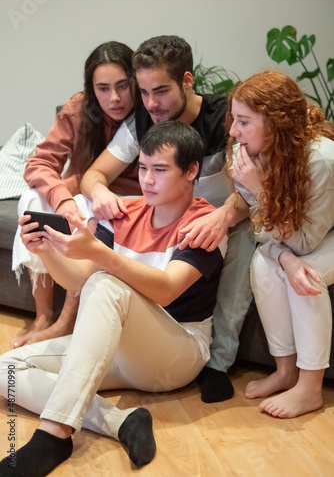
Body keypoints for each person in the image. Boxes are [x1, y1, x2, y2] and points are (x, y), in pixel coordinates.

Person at [0, 121, 226, 476]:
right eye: (143, 168)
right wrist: (45, 252)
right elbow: (77, 280)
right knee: (7, 370)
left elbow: (167, 289)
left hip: (176, 353)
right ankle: (120, 421)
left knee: (107, 283)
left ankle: (54, 435)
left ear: (191, 170)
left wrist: (102, 257)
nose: (147, 179)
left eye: (160, 170)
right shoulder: (124, 211)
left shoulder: (204, 224)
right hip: (116, 345)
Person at [80, 35, 255, 403]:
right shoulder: (143, 119)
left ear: (187, 81)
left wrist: (223, 216)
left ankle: (218, 364)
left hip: (226, 217)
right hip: (172, 218)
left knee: (242, 242)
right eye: (143, 92)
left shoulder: (224, 120)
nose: (150, 103)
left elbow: (257, 187)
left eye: (160, 91)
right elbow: (93, 177)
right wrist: (102, 194)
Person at [11, 41, 141, 349]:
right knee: (30, 200)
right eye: (103, 88)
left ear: (136, 82)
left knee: (91, 217)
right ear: (90, 88)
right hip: (82, 196)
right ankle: (43, 315)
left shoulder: (147, 115)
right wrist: (64, 196)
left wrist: (82, 187)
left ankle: (66, 320)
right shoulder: (78, 110)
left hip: (124, 202)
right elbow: (40, 164)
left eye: (123, 86)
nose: (115, 98)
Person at [225, 70, 334, 418]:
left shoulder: (322, 160)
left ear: (274, 123)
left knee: (307, 276)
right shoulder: (250, 156)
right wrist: (282, 257)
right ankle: (285, 371)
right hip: (301, 238)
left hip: (322, 235)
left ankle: (310, 388)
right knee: (263, 265)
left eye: (243, 121)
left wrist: (260, 189)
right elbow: (261, 231)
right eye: (233, 119)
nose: (232, 131)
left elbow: (304, 242)